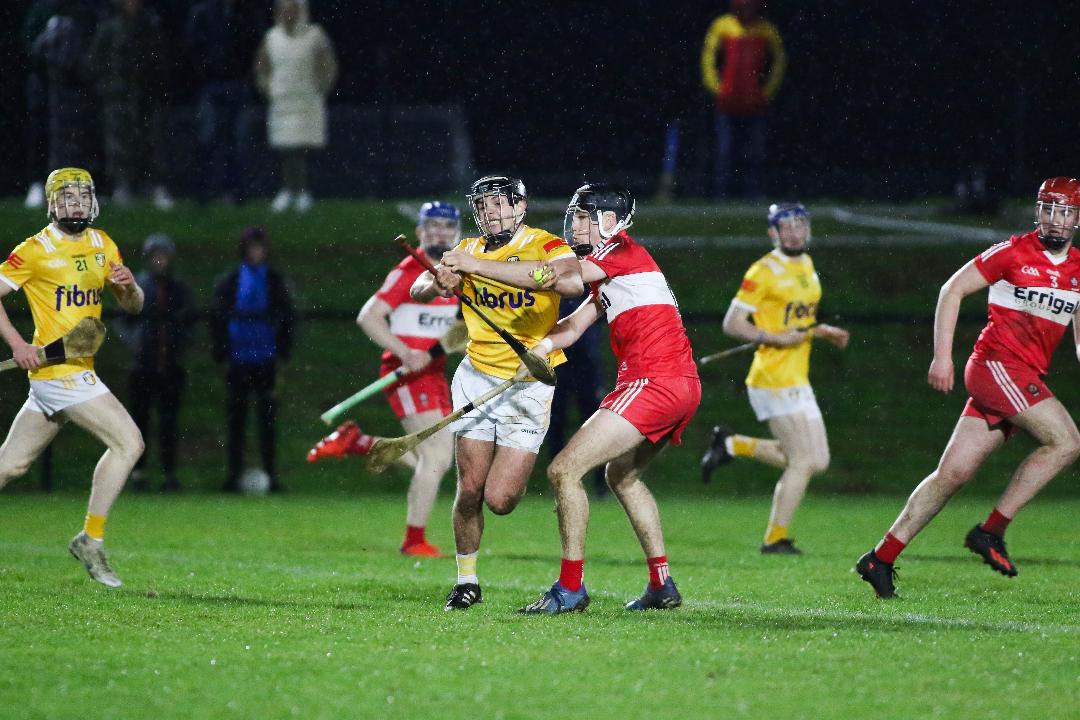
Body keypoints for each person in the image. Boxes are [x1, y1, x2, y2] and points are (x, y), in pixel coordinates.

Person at [856, 177, 1080, 599]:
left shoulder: (1077, 271)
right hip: (998, 367)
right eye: (1049, 208)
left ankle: (880, 558)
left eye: (1065, 210)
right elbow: (952, 289)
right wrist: (943, 356)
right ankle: (991, 531)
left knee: (952, 474)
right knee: (1066, 442)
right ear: (1038, 211)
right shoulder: (1013, 252)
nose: (1055, 218)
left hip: (1022, 376)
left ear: (1077, 218)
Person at [517, 184, 701, 614]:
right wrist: (536, 351)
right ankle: (661, 584)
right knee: (622, 476)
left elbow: (563, 278)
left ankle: (570, 589)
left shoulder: (620, 251)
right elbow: (572, 326)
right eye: (576, 216)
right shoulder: (609, 273)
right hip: (679, 385)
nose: (576, 225)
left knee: (563, 470)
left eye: (585, 217)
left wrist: (480, 269)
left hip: (652, 383)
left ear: (609, 222)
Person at [412, 175, 583, 610]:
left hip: (528, 384)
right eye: (483, 206)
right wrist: (440, 282)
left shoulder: (547, 246)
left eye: (499, 204)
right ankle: (466, 580)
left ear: (521, 207)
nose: (490, 213)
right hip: (476, 376)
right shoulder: (465, 249)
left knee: (500, 500)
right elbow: (419, 287)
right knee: (469, 489)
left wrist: (478, 269)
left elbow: (571, 284)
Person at [0, 167, 145, 587]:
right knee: (129, 443)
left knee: (11, 466)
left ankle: (89, 537)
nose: (75, 203)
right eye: (66, 197)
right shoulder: (35, 249)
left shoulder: (103, 244)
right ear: (52, 204)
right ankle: (90, 537)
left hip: (78, 364)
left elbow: (134, 306)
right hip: (57, 372)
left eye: (82, 196)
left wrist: (130, 287)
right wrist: (17, 345)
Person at [307, 202, 461, 557]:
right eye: (432, 226)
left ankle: (358, 442)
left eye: (446, 227)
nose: (439, 232)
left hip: (433, 373)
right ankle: (414, 541)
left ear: (456, 232)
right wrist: (405, 351)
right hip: (405, 374)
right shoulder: (409, 271)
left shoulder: (456, 271)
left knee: (430, 460)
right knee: (437, 457)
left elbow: (456, 330)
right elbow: (369, 317)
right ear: (420, 232)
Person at [700, 202, 849, 554]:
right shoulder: (763, 270)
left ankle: (732, 445)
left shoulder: (808, 265)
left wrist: (822, 330)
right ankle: (775, 538)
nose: (796, 231)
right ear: (773, 232)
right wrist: (777, 338)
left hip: (798, 377)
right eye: (787, 225)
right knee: (802, 462)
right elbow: (733, 323)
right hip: (771, 378)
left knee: (819, 460)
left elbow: (798, 318)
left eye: (801, 223)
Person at [212, 226, 295, 493]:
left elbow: (288, 319)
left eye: (260, 247)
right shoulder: (231, 280)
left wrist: (282, 355)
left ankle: (271, 476)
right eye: (251, 247)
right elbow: (218, 319)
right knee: (236, 420)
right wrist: (222, 355)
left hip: (266, 359)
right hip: (238, 360)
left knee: (267, 422)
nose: (256, 252)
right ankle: (233, 476)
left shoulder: (274, 281)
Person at [125, 233, 195, 492]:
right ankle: (138, 473)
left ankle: (168, 473)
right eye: (155, 256)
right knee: (140, 421)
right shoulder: (138, 289)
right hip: (144, 365)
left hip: (170, 365)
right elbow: (125, 321)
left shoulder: (178, 290)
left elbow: (188, 322)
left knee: (168, 422)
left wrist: (179, 344)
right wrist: (137, 343)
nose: (159, 261)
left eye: (163, 256)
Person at [89, 0, 174, 210]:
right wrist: (108, 87)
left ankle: (153, 187)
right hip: (118, 98)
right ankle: (122, 187)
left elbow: (159, 61)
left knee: (150, 143)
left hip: (145, 97)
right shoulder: (109, 27)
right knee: (118, 144)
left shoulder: (149, 27)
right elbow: (95, 61)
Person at [255, 0, 338, 214]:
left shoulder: (315, 35)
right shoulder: (271, 37)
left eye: (292, 10)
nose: (288, 15)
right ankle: (289, 190)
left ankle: (301, 191)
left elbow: (327, 64)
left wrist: (321, 88)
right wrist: (268, 88)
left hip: (307, 100)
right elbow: (262, 67)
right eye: (284, 10)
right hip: (282, 101)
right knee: (286, 148)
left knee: (301, 148)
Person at [700, 0, 785, 198]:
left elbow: (779, 60)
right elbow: (708, 57)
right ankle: (721, 195)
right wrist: (716, 88)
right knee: (725, 150)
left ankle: (754, 193)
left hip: (755, 102)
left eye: (750, 6)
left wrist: (767, 92)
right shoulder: (723, 25)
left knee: (756, 152)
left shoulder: (765, 29)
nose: (746, 10)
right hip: (727, 101)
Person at [185, 0, 266, 203]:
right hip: (212, 84)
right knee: (207, 139)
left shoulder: (247, 12)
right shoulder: (203, 12)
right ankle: (203, 194)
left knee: (237, 142)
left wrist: (245, 75)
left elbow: (256, 45)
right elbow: (192, 46)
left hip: (238, 85)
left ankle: (234, 192)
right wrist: (206, 71)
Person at [547, 293, 607, 498]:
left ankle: (601, 482)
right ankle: (557, 480)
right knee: (555, 425)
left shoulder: (591, 291)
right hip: (560, 367)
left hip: (587, 370)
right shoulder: (555, 292)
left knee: (595, 427)